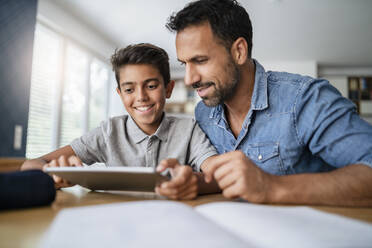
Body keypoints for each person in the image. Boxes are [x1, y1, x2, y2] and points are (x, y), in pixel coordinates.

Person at [166, 0, 372, 206]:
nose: (189, 79)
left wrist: (272, 187)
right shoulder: (204, 113)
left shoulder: (305, 99)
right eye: (184, 64)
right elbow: (225, 180)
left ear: (239, 51)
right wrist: (194, 182)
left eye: (200, 61)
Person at [21, 43, 219, 200]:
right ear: (120, 94)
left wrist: (192, 181)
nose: (141, 97)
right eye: (129, 89)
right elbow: (30, 165)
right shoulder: (109, 132)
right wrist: (50, 173)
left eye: (151, 86)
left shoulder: (189, 129)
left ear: (168, 89)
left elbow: (217, 175)